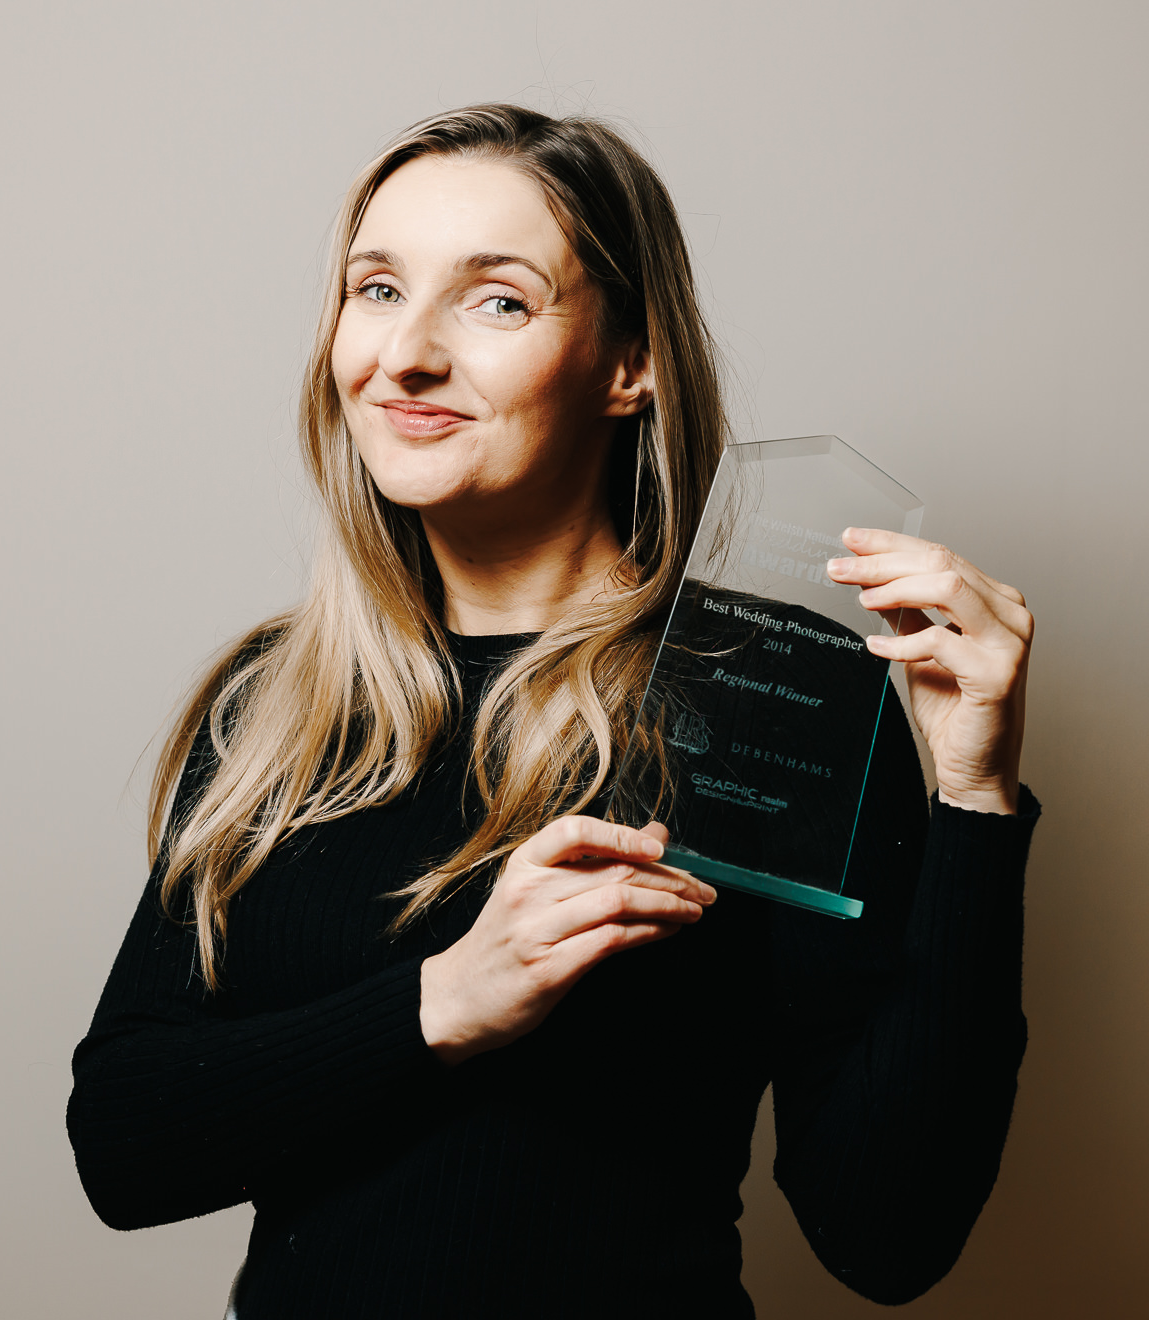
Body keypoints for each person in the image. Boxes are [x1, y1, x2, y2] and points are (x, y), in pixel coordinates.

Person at [67, 104, 1038, 1319]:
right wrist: (448, 1002)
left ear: (628, 365)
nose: (406, 354)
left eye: (499, 301)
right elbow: (123, 1146)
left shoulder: (771, 697)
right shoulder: (272, 703)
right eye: (376, 289)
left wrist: (976, 803)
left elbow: (886, 1236)